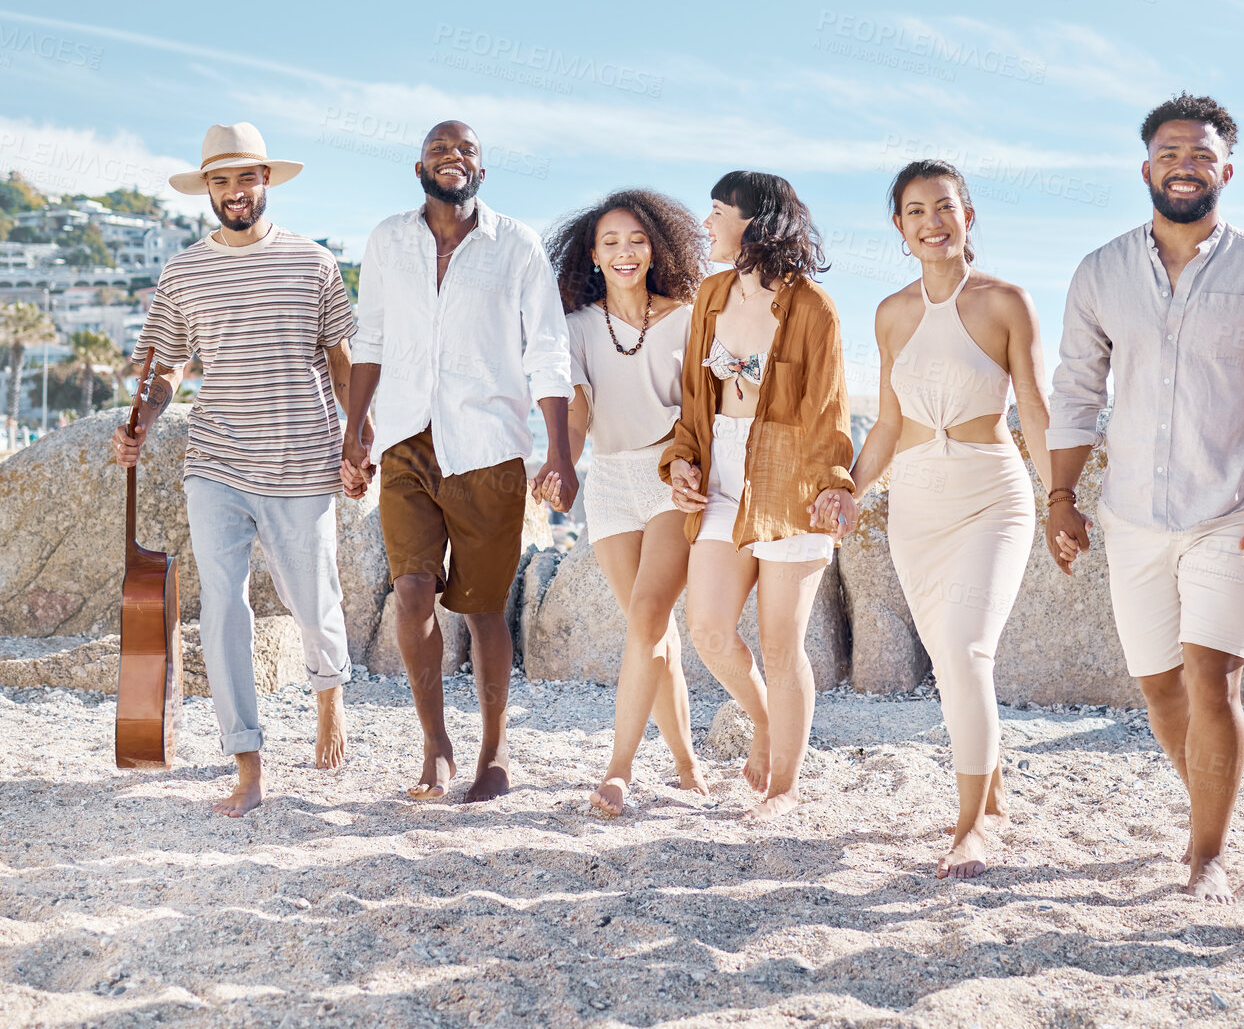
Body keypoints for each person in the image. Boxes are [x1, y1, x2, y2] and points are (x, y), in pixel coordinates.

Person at [1047, 94, 1244, 903]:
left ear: (1227, 168)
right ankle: (1208, 807)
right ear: (1145, 167)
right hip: (1128, 516)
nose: (1184, 165)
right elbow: (1077, 388)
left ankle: (1207, 854)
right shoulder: (1100, 272)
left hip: (1229, 508)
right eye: (1169, 152)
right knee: (1159, 686)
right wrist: (1061, 495)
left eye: (1200, 154)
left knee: (1213, 680)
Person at [111, 122, 367, 818]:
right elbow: (164, 372)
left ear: (265, 182)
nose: (233, 192)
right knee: (224, 606)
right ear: (209, 190)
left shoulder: (314, 263)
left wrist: (358, 440)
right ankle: (247, 762)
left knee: (313, 602)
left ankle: (329, 698)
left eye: (244, 178)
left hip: (301, 459)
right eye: (220, 181)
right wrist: (143, 421)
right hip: (216, 460)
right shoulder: (183, 272)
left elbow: (343, 363)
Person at [341, 120, 578, 804]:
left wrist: (559, 449)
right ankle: (435, 741)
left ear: (483, 169)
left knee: (481, 611)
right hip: (408, 438)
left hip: (490, 448)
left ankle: (494, 750)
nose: (453, 157)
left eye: (467, 149)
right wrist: (355, 431)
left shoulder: (518, 246)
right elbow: (373, 336)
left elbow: (548, 350)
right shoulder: (388, 240)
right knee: (412, 592)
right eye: (440, 148)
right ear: (419, 164)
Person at [848, 160, 1050, 878]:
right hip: (915, 507)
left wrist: (1060, 500)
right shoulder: (890, 314)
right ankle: (991, 796)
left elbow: (1034, 407)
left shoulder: (1006, 302)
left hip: (992, 497)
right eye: (915, 211)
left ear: (969, 216)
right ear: (899, 229)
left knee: (965, 653)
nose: (932, 222)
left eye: (944, 207)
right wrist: (850, 489)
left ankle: (972, 827)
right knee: (953, 664)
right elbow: (886, 425)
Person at [661, 171, 857, 822]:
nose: (707, 224)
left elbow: (830, 410)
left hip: (790, 474)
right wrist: (682, 462)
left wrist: (833, 485)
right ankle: (766, 720)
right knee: (710, 629)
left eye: (718, 212)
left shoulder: (813, 307)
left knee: (780, 642)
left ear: (756, 223)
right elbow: (695, 399)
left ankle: (783, 788)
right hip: (721, 468)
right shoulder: (711, 295)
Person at [543, 190, 710, 814]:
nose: (624, 253)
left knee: (646, 618)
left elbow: (703, 409)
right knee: (651, 629)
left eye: (636, 240)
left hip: (673, 475)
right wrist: (559, 462)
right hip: (610, 481)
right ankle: (689, 766)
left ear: (656, 246)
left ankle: (619, 769)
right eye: (610, 242)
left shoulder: (690, 317)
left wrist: (693, 468)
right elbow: (579, 417)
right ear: (592, 253)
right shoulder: (578, 328)